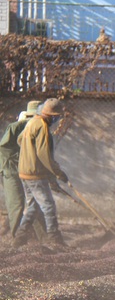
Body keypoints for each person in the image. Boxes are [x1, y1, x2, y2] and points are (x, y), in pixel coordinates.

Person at [12, 98, 69, 248]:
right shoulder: (42, 126)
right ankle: (54, 238)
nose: (57, 119)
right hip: (34, 174)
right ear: (51, 115)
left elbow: (19, 140)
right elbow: (44, 154)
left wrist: (28, 153)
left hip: (24, 172)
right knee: (48, 205)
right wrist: (58, 172)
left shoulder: (32, 122)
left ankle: (20, 236)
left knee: (33, 206)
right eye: (57, 116)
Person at [0, 100, 47, 241]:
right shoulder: (15, 127)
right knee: (17, 204)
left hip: (29, 170)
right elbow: (4, 148)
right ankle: (17, 240)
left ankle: (45, 239)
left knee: (36, 203)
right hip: (11, 169)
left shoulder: (42, 130)